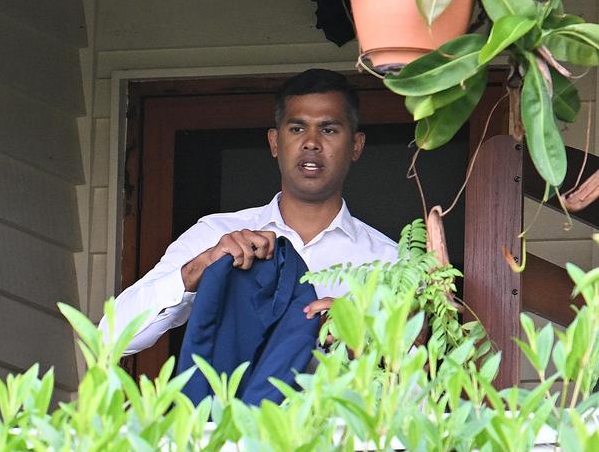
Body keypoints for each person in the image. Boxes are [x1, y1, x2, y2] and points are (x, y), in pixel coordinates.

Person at [99, 68, 398, 355]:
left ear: (356, 146)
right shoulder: (215, 234)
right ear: (274, 142)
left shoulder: (391, 260)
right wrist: (201, 267)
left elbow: (420, 386)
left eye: (329, 129)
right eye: (297, 128)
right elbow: (110, 338)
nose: (311, 143)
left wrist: (364, 337)